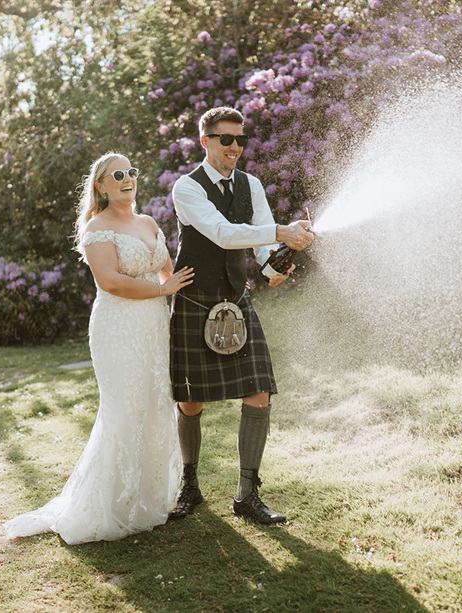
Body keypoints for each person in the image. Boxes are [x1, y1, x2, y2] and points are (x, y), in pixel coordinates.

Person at [4, 153, 195, 545]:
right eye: (117, 175)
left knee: (156, 407)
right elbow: (110, 282)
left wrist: (202, 288)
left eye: (131, 173)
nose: (128, 180)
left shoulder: (148, 223)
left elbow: (169, 271)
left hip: (155, 329)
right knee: (124, 412)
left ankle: (148, 502)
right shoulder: (98, 227)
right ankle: (111, 507)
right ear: (101, 186)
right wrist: (161, 290)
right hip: (117, 329)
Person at [168, 107, 314, 525]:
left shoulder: (250, 184)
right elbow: (223, 233)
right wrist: (280, 233)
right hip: (195, 301)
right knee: (190, 400)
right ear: (205, 141)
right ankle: (190, 487)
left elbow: (264, 243)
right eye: (226, 139)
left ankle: (247, 495)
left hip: (236, 298)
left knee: (259, 391)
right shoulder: (187, 188)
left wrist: (279, 262)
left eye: (240, 140)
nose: (235, 147)